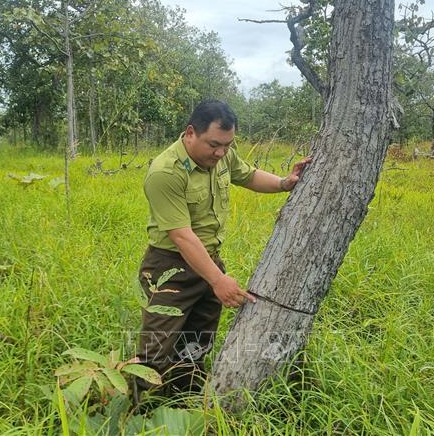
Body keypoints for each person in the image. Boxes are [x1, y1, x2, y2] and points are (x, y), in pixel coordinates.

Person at [133, 99, 311, 403]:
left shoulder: (222, 157)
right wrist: (218, 281)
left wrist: (285, 183)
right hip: (170, 269)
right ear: (191, 132)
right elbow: (182, 236)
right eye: (214, 144)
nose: (220, 152)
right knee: (155, 350)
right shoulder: (166, 172)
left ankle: (182, 402)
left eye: (227, 145)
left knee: (197, 342)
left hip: (209, 261)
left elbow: (250, 175)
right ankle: (136, 413)